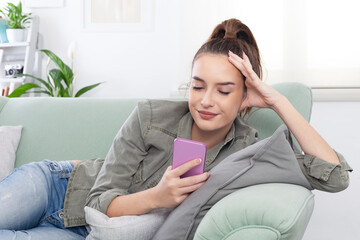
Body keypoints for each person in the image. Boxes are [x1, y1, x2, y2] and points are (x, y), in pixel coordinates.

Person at [0, 18, 352, 240]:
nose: (206, 101)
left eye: (224, 90)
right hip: (57, 185)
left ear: (246, 97)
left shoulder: (247, 152)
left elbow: (335, 177)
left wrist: (278, 102)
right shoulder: (150, 115)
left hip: (87, 231)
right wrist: (158, 197)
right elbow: (98, 200)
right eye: (198, 86)